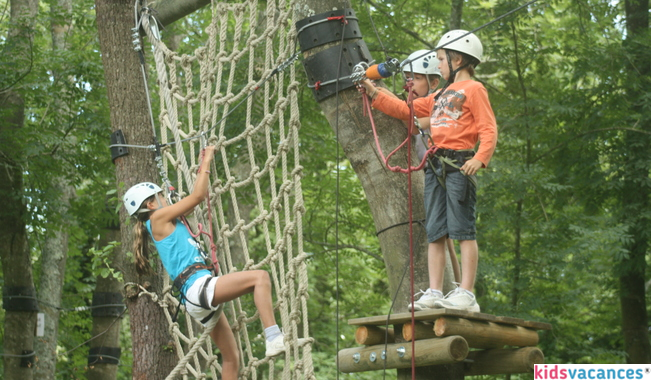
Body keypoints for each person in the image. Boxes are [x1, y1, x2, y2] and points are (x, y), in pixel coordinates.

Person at [123, 146, 306, 380]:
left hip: (194, 295)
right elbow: (198, 197)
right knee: (260, 278)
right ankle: (273, 337)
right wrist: (207, 160)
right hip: (197, 288)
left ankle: (271, 340)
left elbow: (190, 204)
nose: (166, 199)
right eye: (161, 197)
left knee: (231, 358)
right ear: (150, 205)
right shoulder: (157, 218)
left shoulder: (165, 222)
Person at [360, 30, 497, 312]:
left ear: (457, 59)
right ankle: (435, 291)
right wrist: (373, 92)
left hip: (459, 164)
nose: (440, 65)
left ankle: (467, 293)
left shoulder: (475, 89)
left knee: (463, 230)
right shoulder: (441, 95)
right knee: (435, 231)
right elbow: (405, 109)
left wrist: (480, 158)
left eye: (441, 60)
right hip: (436, 167)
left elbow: (488, 128)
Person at [369, 50, 463, 286]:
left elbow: (412, 124)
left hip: (446, 171)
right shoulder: (412, 101)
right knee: (442, 235)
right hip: (431, 173)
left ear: (433, 82)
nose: (409, 84)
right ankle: (454, 286)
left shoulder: (439, 104)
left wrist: (384, 95)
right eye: (407, 78)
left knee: (449, 236)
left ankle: (459, 287)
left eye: (417, 79)